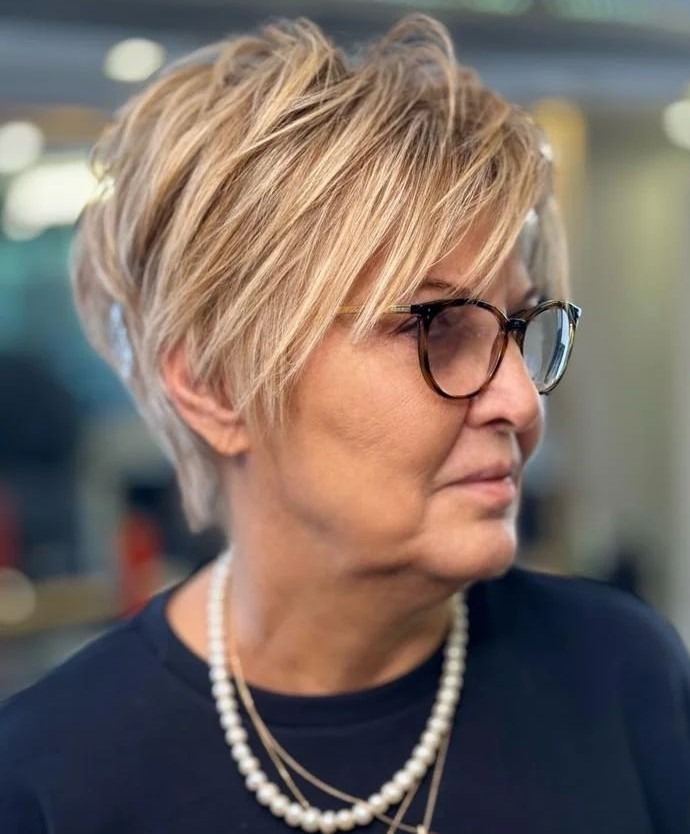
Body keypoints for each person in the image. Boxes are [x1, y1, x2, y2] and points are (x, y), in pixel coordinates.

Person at [1, 14, 688, 834]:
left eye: (518, 325)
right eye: (436, 326)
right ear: (215, 386)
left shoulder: (621, 675)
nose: (521, 401)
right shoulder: (53, 777)